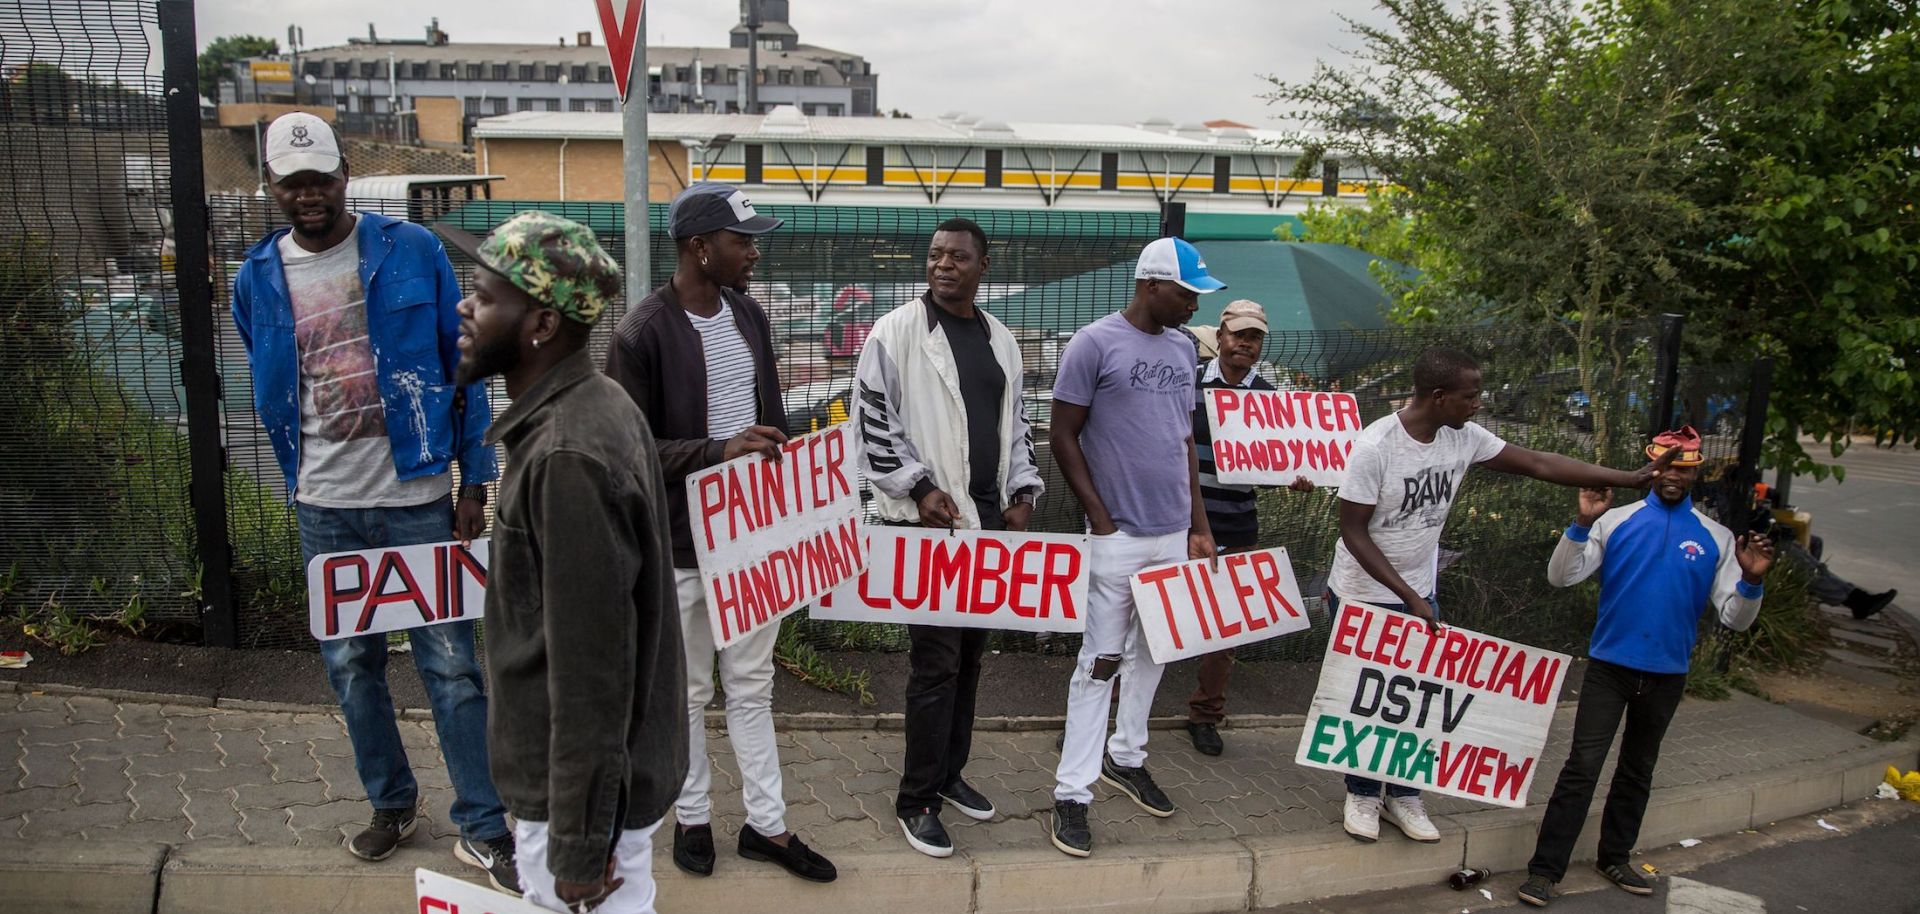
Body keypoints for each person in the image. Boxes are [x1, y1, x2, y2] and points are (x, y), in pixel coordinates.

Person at [228, 113, 516, 891]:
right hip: (323, 502)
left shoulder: (411, 249)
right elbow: (271, 369)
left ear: (344, 173)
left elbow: (465, 364)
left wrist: (474, 478)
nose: (308, 193)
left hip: (416, 495)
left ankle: (483, 827)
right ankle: (391, 805)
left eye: (319, 177)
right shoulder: (257, 277)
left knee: (452, 664)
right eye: (292, 182)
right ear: (273, 186)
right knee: (352, 666)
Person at [437, 211, 686, 914]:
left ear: (541, 324)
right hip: (593, 796)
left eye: (483, 295)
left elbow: (591, 673)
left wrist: (578, 844)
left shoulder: (567, 454)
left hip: (579, 810)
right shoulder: (590, 406)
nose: (464, 305)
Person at [1328, 346, 1678, 845]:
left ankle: (1403, 796)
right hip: (1365, 591)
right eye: (1471, 396)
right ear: (1438, 395)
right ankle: (1363, 792)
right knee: (1371, 701)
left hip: (1418, 590)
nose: (1478, 404)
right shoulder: (1376, 446)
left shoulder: (1462, 437)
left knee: (1416, 699)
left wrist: (1626, 478)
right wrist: (1408, 594)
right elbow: (1353, 532)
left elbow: (1537, 462)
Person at [604, 182, 837, 884]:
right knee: (686, 692)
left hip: (750, 539)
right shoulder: (640, 334)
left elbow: (768, 414)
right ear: (700, 248)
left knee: (752, 682)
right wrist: (717, 449)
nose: (754, 252)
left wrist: (798, 489)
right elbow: (627, 449)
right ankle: (693, 816)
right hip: (678, 544)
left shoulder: (748, 313)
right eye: (743, 241)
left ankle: (768, 826)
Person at [1516, 426, 1772, 907]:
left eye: (1685, 467)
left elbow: (1734, 619)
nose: (1674, 475)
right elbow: (1561, 576)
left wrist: (1752, 582)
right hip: (1609, 668)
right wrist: (1581, 523)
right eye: (1667, 466)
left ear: (1696, 472)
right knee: (1582, 768)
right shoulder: (1616, 520)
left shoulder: (1716, 538)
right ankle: (1544, 871)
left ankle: (1614, 856)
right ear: (1651, 467)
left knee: (1637, 769)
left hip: (1667, 674)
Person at [853, 217, 1045, 858]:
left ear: (982, 266)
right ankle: (916, 800)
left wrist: (1023, 493)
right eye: (935, 255)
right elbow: (873, 423)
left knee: (968, 660)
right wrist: (917, 487)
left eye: (957, 257)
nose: (943, 265)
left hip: (986, 529)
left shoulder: (1002, 341)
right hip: (927, 529)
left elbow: (1016, 424)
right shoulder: (896, 332)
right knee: (934, 665)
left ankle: (949, 773)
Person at [1048, 237, 1223, 858]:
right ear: (1152, 286)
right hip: (1117, 536)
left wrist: (1199, 527)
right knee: (1098, 662)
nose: (1193, 306)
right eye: (1186, 294)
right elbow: (1062, 434)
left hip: (1173, 533)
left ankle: (1126, 756)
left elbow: (1183, 444)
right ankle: (1073, 791)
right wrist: (1099, 518)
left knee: (1155, 651)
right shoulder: (1092, 344)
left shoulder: (1182, 349)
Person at [1184, 299, 1314, 757]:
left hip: (1238, 524)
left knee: (1226, 629)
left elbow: (1277, 462)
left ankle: (1205, 715)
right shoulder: (1187, 381)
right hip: (1179, 522)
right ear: (1219, 336)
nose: (1245, 342)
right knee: (1149, 617)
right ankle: (1116, 710)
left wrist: (1295, 475)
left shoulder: (1270, 400)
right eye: (1238, 333)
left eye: (1254, 336)